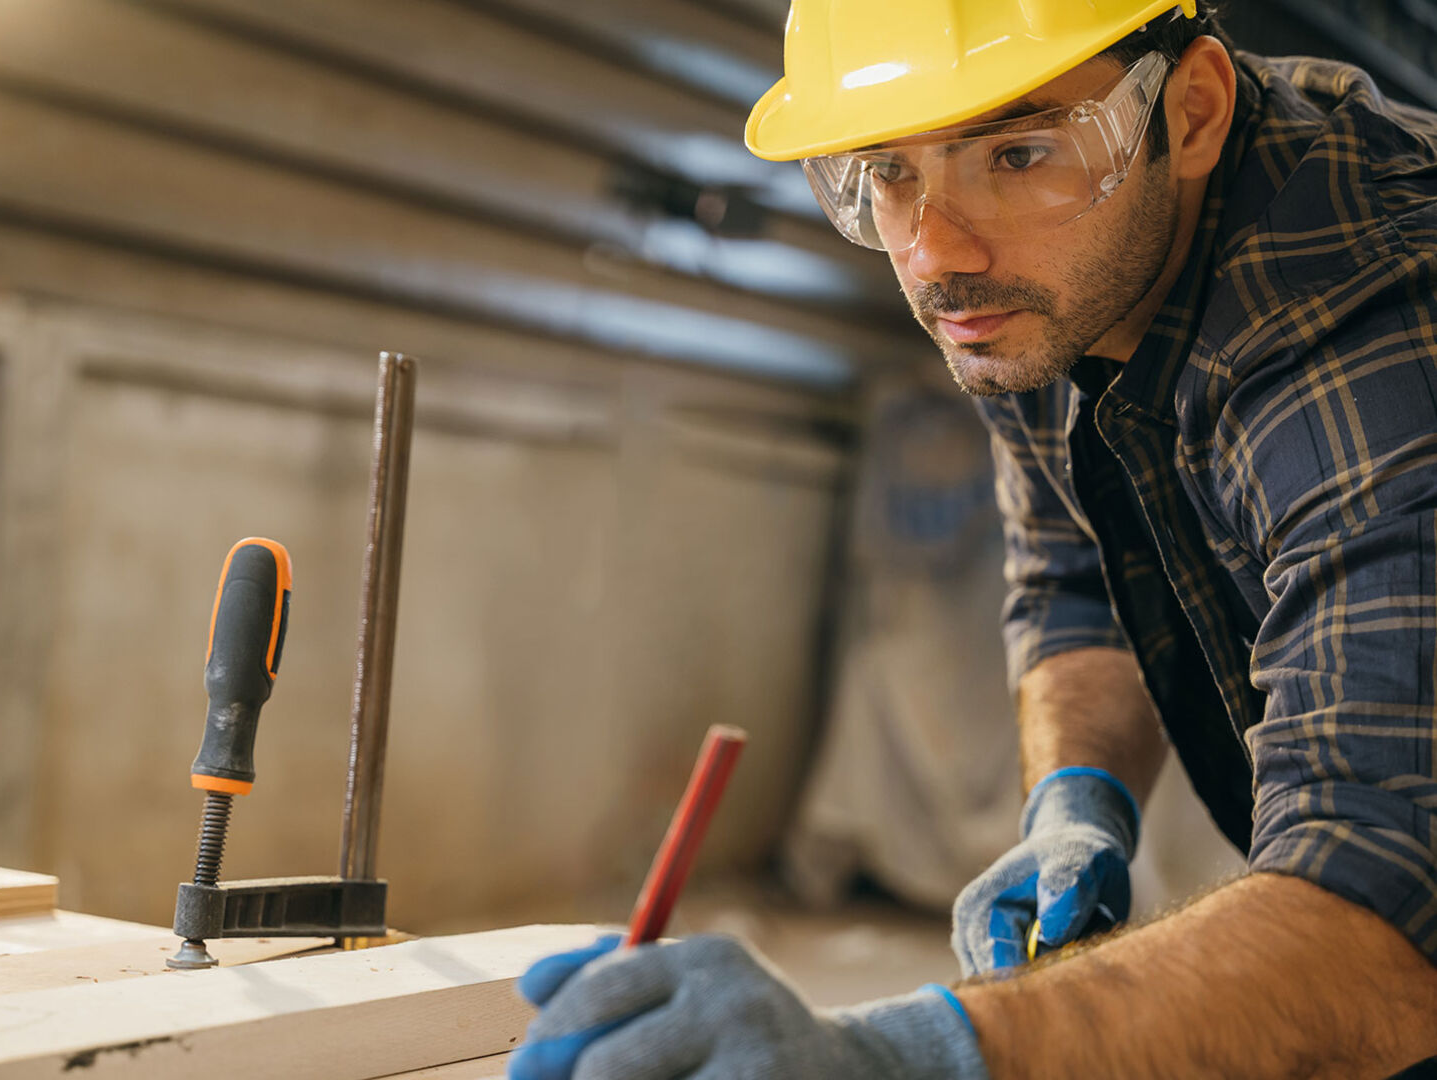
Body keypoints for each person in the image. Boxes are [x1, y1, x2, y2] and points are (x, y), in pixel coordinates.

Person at [508, 0, 1437, 1075]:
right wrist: (1076, 807)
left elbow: (1386, 921)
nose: (935, 253)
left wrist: (901, 1057)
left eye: (1017, 153)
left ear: (1190, 111)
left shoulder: (1374, 322)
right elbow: (1074, 573)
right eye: (886, 172)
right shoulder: (1055, 277)